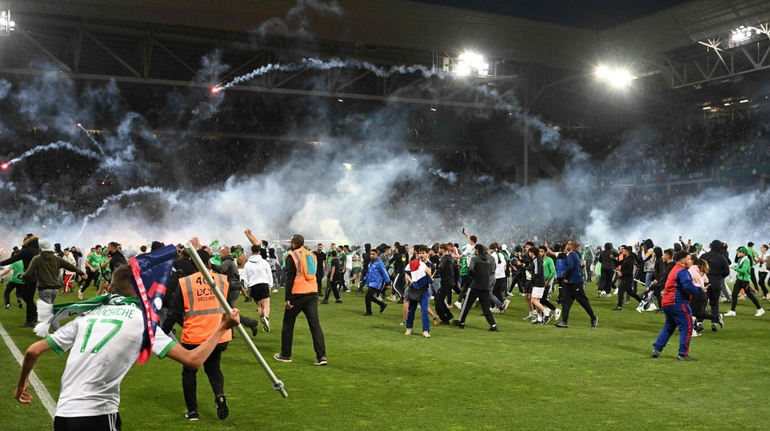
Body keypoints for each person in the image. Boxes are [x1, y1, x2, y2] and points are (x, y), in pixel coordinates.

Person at [14, 264, 241, 430]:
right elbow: (193, 360)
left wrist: (21, 385)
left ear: (110, 288)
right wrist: (222, 327)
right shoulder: (144, 322)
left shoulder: (87, 317)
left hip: (63, 417)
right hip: (99, 416)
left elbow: (33, 350)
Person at [162, 250, 234, 421]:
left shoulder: (186, 282)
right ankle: (219, 395)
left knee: (189, 372)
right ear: (208, 262)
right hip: (217, 334)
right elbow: (229, 306)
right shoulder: (222, 280)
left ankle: (193, 412)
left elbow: (173, 311)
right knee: (214, 368)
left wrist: (162, 332)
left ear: (192, 263)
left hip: (194, 334)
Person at [274, 235, 327, 365]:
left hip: (298, 294)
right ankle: (321, 357)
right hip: (312, 292)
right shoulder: (312, 255)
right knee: (315, 325)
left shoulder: (292, 256)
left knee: (288, 324)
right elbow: (317, 274)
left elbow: (290, 278)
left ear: (293, 243)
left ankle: (286, 355)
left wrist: (287, 298)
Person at [21, 240, 87, 330]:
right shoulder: (57, 258)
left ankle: (58, 333)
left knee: (49, 313)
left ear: (40, 248)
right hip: (55, 290)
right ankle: (44, 329)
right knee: (49, 310)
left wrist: (21, 276)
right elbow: (70, 266)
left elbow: (28, 273)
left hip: (44, 289)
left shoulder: (37, 258)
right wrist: (81, 272)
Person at [651, 251, 704, 361]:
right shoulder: (682, 271)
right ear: (683, 261)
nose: (691, 261)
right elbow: (688, 286)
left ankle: (657, 349)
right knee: (687, 327)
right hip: (678, 302)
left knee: (669, 327)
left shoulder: (674, 269)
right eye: (689, 259)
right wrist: (699, 289)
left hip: (667, 302)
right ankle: (682, 354)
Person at [453, 244, 500, 332]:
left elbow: (470, 269)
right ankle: (493, 325)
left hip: (475, 285)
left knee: (466, 305)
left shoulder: (474, 259)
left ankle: (461, 322)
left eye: (475, 250)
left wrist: (473, 277)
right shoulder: (487, 260)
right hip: (485, 287)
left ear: (477, 250)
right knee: (486, 308)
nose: (474, 251)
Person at [554, 241, 598, 329]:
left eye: (569, 244)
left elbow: (570, 266)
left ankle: (594, 318)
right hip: (571, 282)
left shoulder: (571, 255)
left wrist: (566, 276)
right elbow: (574, 266)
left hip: (574, 282)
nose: (567, 245)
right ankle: (564, 321)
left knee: (583, 301)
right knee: (565, 302)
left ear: (573, 246)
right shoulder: (575, 254)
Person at [0, 234, 40, 327]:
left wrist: (1, 263)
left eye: (25, 238)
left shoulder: (27, 250)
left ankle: (32, 318)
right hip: (34, 276)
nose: (23, 239)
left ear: (29, 240)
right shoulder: (36, 249)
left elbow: (14, 259)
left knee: (27, 297)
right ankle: (34, 316)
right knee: (26, 296)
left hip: (29, 276)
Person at [404, 246, 435, 337]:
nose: (421, 255)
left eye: (423, 253)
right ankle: (409, 328)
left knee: (424, 310)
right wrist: (411, 281)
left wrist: (429, 273)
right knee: (411, 310)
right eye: (420, 253)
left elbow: (431, 279)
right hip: (414, 289)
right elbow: (406, 274)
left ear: (427, 253)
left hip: (424, 290)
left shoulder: (431, 265)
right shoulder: (413, 263)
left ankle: (426, 330)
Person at [725, 246, 765, 317]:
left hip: (744, 281)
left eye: (739, 252)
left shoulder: (746, 260)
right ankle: (732, 311)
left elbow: (743, 270)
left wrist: (735, 268)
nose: (738, 253)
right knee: (734, 295)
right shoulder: (741, 259)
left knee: (749, 295)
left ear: (744, 253)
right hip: (740, 280)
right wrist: (737, 271)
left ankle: (760, 309)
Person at [244, 244, 273, 332]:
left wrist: (247, 287)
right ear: (259, 252)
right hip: (264, 283)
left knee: (259, 306)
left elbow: (245, 277)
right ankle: (266, 319)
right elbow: (269, 274)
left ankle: (263, 322)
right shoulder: (264, 262)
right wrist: (270, 285)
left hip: (253, 285)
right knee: (266, 304)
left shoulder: (247, 264)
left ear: (251, 252)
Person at [612, 246, 644, 311]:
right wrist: (613, 259)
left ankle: (619, 306)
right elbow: (618, 263)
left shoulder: (630, 259)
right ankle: (642, 302)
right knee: (630, 292)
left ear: (627, 251)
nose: (622, 251)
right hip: (625, 278)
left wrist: (622, 273)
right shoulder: (625, 258)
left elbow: (630, 270)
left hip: (627, 278)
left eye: (623, 251)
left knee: (620, 291)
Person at [361, 248, 389, 316]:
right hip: (371, 282)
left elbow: (384, 273)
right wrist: (364, 279)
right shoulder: (371, 263)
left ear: (377, 255)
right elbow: (368, 273)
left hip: (376, 283)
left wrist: (387, 281)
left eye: (374, 254)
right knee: (369, 297)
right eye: (371, 254)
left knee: (367, 297)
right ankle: (382, 304)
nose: (372, 256)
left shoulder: (379, 263)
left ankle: (369, 312)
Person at [434, 244, 456, 325]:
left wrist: (433, 276)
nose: (439, 250)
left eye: (439, 249)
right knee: (439, 298)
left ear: (442, 249)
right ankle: (448, 314)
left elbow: (440, 268)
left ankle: (444, 319)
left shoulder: (444, 258)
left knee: (438, 301)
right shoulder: (450, 258)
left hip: (446, 282)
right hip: (449, 281)